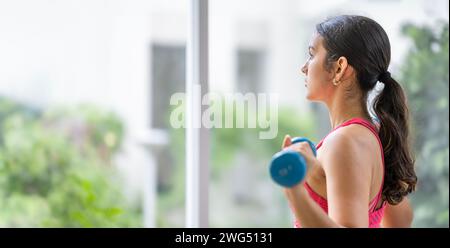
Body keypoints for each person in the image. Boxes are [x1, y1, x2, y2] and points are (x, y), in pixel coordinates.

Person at [282, 15, 417, 228]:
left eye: (311, 55)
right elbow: (401, 220)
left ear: (339, 67)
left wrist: (294, 190)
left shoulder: (344, 141)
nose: (304, 67)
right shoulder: (373, 135)